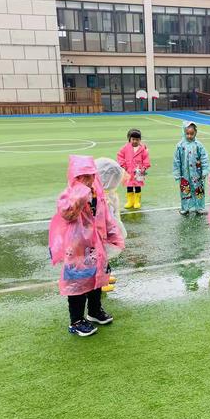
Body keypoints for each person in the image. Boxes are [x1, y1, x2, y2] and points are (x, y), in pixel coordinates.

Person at [49, 155, 125, 337]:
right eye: (84, 176)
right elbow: (67, 213)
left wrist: (114, 235)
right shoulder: (70, 195)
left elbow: (106, 217)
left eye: (91, 175)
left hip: (96, 247)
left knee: (96, 280)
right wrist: (81, 194)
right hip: (76, 249)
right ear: (76, 177)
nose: (89, 179)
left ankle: (94, 310)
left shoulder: (97, 195)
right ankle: (76, 321)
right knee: (77, 284)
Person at [95, 157, 128, 292]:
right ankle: (100, 281)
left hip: (107, 232)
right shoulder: (99, 197)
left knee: (105, 255)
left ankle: (106, 276)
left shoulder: (108, 194)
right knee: (100, 256)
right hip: (101, 234)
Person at [173, 121, 210, 215]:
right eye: (187, 134)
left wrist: (205, 170)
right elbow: (176, 160)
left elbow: (204, 158)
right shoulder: (180, 145)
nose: (189, 136)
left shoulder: (199, 145)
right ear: (184, 132)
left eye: (192, 134)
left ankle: (200, 207)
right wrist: (177, 173)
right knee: (185, 191)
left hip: (197, 174)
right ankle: (185, 208)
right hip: (184, 175)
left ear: (195, 133)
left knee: (199, 190)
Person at [117, 128, 150, 210]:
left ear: (140, 140)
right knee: (129, 186)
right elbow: (120, 156)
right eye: (133, 139)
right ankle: (130, 201)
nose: (135, 141)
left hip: (139, 171)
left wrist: (144, 167)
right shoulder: (125, 148)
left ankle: (137, 201)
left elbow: (146, 159)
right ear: (129, 139)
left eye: (137, 139)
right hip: (128, 170)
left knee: (138, 186)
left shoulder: (143, 150)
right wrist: (123, 165)